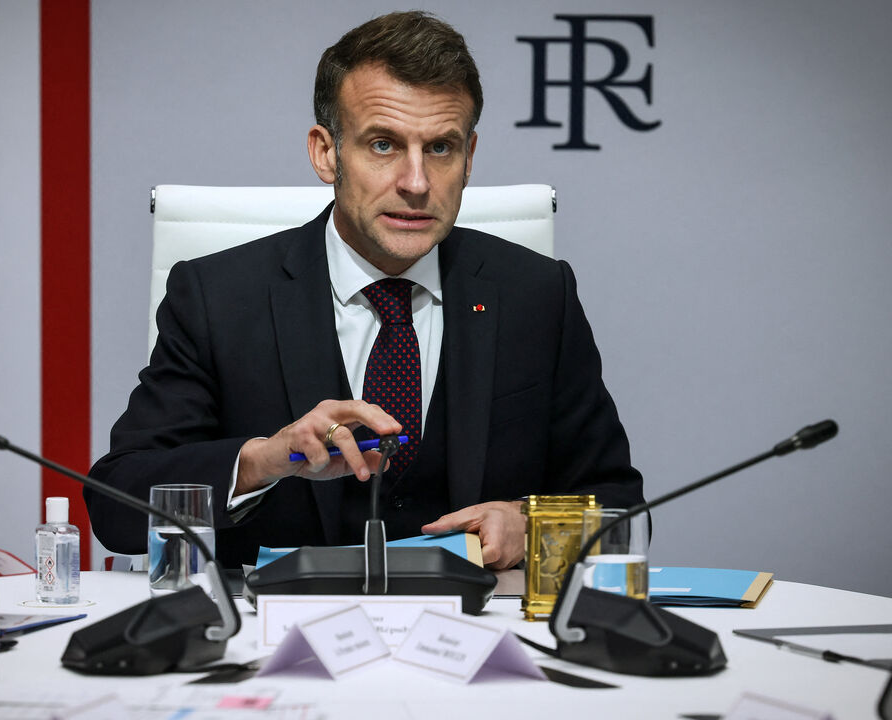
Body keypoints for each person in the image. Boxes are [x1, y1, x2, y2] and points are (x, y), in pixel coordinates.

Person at [87, 11, 643, 570]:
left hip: (471, 635)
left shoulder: (536, 295)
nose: (417, 182)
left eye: (442, 149)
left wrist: (533, 528)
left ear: (470, 158)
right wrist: (261, 461)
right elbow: (116, 509)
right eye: (383, 145)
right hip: (274, 639)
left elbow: (623, 511)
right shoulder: (217, 298)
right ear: (326, 153)